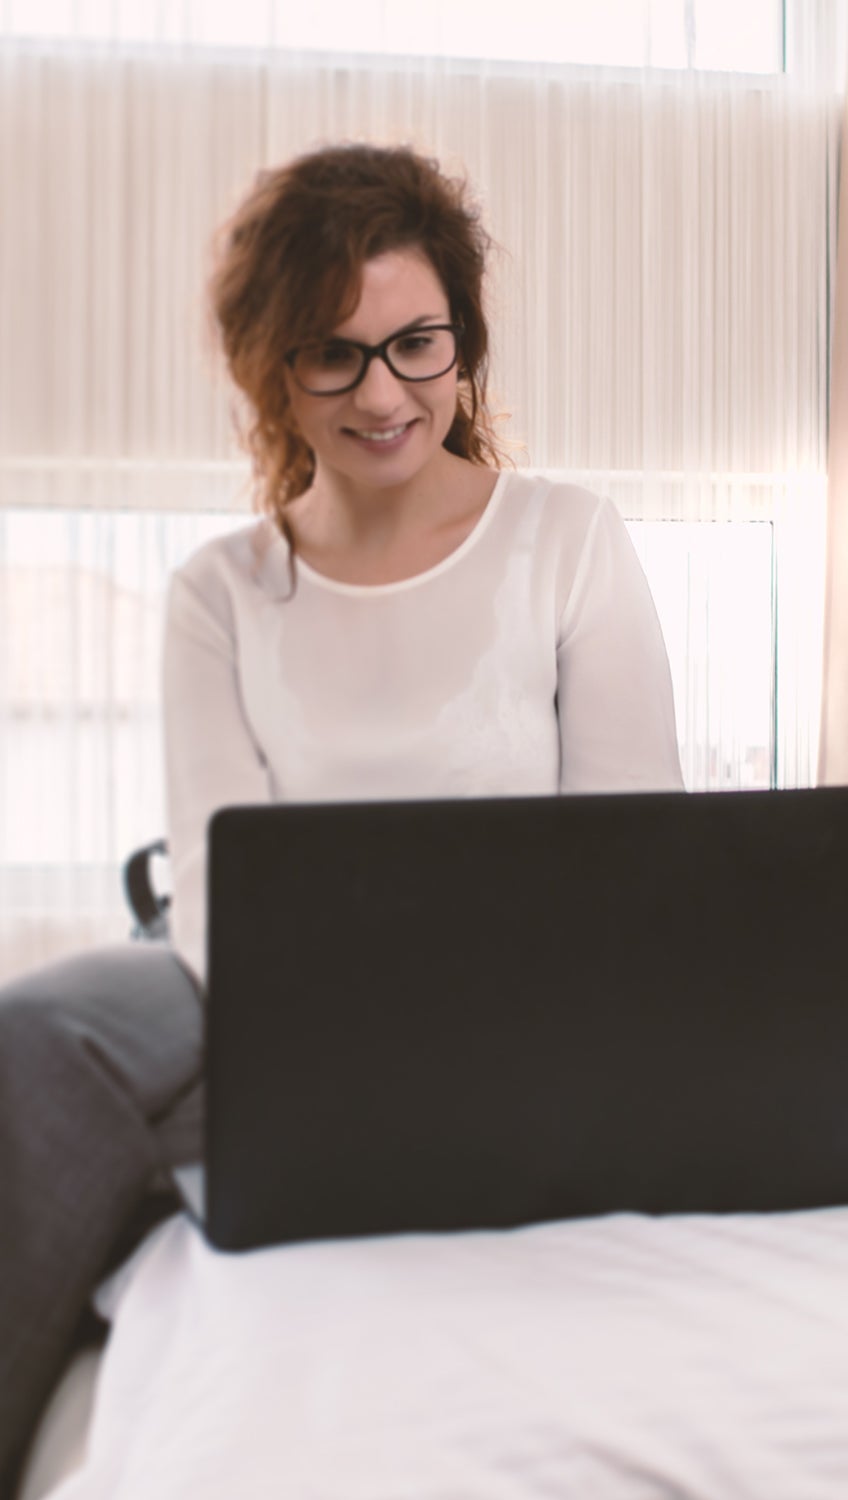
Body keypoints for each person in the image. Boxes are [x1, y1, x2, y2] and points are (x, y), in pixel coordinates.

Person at [0, 141, 682, 1491]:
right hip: (265, 1004)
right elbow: (214, 900)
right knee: (36, 1038)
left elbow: (634, 865)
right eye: (334, 355)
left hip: (516, 1003)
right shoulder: (221, 591)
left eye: (416, 343)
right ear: (277, 371)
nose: (382, 393)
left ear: (463, 346)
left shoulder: (568, 541)